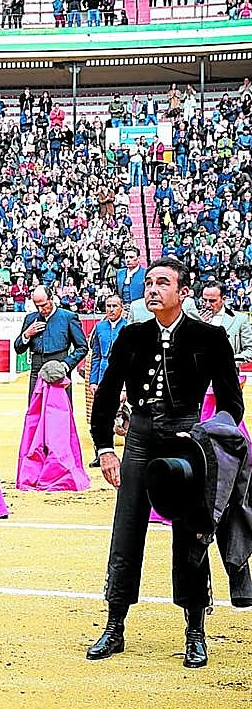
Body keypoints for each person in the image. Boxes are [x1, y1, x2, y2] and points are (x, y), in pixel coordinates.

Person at [87, 257, 242, 669]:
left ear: (182, 292)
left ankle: (195, 631)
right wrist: (104, 447)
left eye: (163, 283)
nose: (152, 289)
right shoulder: (132, 335)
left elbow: (232, 404)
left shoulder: (210, 337)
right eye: (149, 283)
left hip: (186, 440)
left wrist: (210, 438)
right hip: (138, 438)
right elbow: (105, 396)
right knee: (127, 529)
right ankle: (114, 625)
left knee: (190, 534)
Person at [13, 285, 87, 403]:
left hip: (59, 366)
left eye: (43, 305)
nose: (41, 309)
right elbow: (18, 349)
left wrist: (66, 365)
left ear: (51, 298)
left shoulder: (68, 317)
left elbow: (82, 347)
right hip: (37, 369)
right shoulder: (30, 319)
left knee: (61, 410)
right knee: (35, 409)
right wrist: (27, 334)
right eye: (37, 306)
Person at [87, 294, 127, 466]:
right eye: (108, 306)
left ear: (122, 308)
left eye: (114, 306)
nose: (111, 309)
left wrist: (125, 387)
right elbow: (95, 355)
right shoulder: (100, 327)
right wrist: (93, 381)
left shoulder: (128, 327)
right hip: (103, 371)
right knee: (101, 414)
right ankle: (101, 452)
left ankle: (128, 456)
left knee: (126, 416)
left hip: (123, 373)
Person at [199, 284, 252, 364]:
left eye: (212, 301)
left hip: (228, 372)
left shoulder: (240, 319)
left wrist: (229, 360)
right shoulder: (194, 319)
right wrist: (198, 325)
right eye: (204, 300)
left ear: (223, 299)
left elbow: (250, 350)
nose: (207, 305)